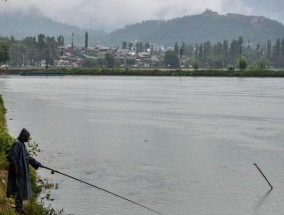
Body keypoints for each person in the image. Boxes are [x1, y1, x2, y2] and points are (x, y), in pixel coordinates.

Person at [6, 128, 42, 214]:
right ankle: (19, 208)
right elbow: (11, 156)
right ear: (24, 136)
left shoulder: (22, 144)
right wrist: (15, 167)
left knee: (21, 188)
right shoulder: (17, 144)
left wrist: (37, 164)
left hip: (22, 171)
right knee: (19, 188)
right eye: (27, 137)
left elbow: (28, 157)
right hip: (18, 171)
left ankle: (19, 206)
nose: (28, 139)